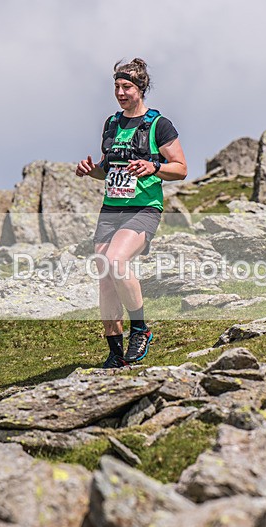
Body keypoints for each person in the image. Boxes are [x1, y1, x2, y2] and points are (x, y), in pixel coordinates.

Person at [75, 58, 188, 368]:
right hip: (111, 209)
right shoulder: (112, 124)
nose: (120, 93)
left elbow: (181, 168)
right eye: (116, 87)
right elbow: (106, 170)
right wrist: (91, 171)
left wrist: (154, 166)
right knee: (105, 276)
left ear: (141, 89)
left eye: (126, 87)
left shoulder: (158, 125)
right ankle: (115, 353)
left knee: (116, 261)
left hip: (143, 207)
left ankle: (140, 329)